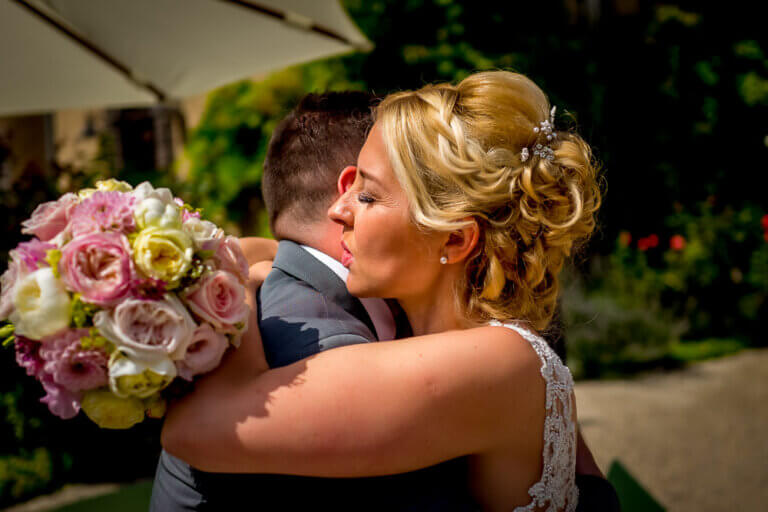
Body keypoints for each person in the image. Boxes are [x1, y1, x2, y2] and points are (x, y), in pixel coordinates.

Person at [163, 73, 618, 510]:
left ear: (455, 240)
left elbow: (196, 428)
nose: (338, 209)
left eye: (367, 195)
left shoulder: (497, 361)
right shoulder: (498, 349)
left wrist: (231, 271)